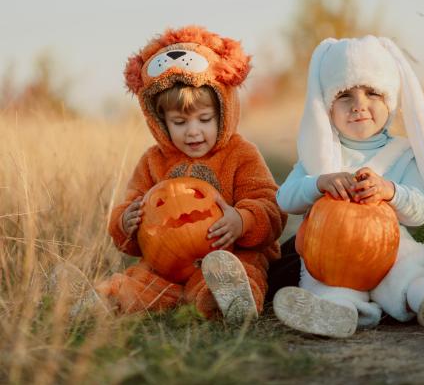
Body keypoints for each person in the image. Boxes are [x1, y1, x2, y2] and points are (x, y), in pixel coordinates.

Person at [273, 36, 424, 338]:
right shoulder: (320, 153)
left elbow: (421, 209)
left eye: (372, 92)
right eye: (344, 95)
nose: (359, 105)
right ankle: (338, 314)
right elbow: (285, 198)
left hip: (389, 250)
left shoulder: (402, 153)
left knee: (411, 271)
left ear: (391, 101)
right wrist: (319, 182)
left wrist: (391, 191)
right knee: (328, 283)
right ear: (327, 106)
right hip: (335, 256)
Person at [87, 25, 286, 323]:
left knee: (240, 269)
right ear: (160, 121)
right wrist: (125, 222)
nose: (193, 132)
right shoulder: (153, 162)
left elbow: (271, 206)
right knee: (140, 280)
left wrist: (242, 220)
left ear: (223, 111)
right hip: (166, 265)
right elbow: (128, 207)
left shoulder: (240, 154)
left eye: (204, 119)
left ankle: (227, 301)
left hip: (229, 254)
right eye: (180, 122)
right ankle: (101, 301)